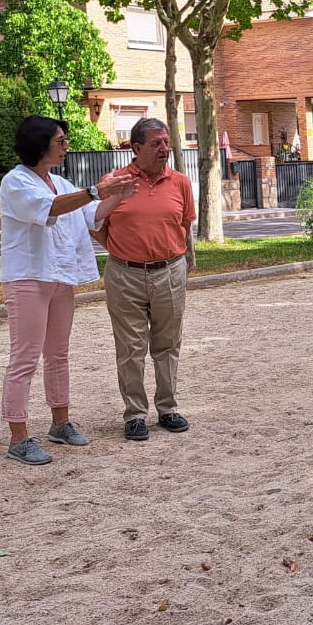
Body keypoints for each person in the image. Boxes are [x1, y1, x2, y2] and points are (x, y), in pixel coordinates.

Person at [0, 116, 136, 465]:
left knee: (58, 354)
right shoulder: (15, 182)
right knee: (24, 358)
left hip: (60, 276)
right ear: (41, 143)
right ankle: (18, 437)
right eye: (61, 140)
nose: (66, 146)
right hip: (28, 278)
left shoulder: (59, 181)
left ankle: (60, 422)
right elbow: (49, 210)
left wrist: (119, 195)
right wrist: (93, 191)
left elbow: (91, 216)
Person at [96, 117, 195, 441]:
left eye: (166, 142)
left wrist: (185, 262)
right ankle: (135, 415)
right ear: (136, 148)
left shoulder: (180, 182)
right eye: (156, 143)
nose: (164, 148)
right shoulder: (114, 181)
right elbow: (95, 224)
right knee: (130, 347)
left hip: (170, 271)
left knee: (168, 344)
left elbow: (185, 224)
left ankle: (167, 409)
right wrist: (119, 251)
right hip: (125, 275)